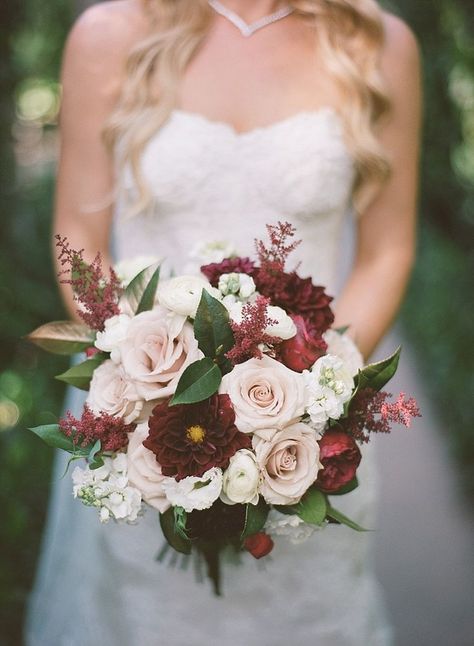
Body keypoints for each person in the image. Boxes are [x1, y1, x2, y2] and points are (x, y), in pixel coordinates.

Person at [25, 1, 421, 644]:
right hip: (141, 435)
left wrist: (315, 398)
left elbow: (387, 249)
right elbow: (79, 235)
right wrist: (143, 385)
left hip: (304, 444)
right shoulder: (109, 34)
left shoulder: (377, 43)